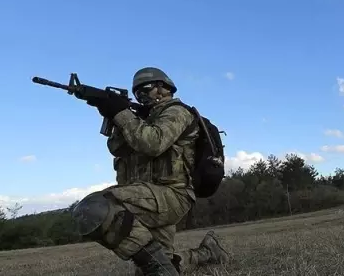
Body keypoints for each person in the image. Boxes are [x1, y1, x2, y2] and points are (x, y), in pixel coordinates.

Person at [70, 67, 229, 275]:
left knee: (96, 207)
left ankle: (161, 268)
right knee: (161, 264)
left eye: (145, 89)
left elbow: (153, 142)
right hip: (150, 196)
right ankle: (208, 252)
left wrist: (121, 112)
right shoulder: (142, 120)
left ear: (163, 88)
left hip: (172, 195)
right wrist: (113, 113)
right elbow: (117, 148)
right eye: (137, 93)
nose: (141, 96)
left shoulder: (178, 112)